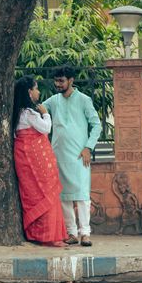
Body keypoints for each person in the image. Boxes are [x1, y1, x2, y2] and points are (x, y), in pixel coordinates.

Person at [43, 64, 101, 247]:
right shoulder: (53, 101)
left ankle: (85, 233)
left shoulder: (84, 100)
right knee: (64, 197)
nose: (58, 84)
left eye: (61, 81)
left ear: (71, 81)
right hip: (58, 155)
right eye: (56, 81)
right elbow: (39, 111)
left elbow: (97, 125)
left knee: (82, 195)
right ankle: (71, 233)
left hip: (79, 155)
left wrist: (88, 147)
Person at [12, 76, 67, 247]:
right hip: (34, 159)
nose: (37, 92)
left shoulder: (17, 113)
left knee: (34, 195)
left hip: (23, 158)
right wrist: (45, 113)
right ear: (29, 92)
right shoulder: (29, 113)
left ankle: (38, 234)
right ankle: (50, 236)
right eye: (35, 89)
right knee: (46, 193)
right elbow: (46, 128)